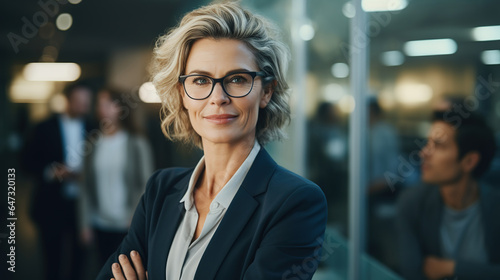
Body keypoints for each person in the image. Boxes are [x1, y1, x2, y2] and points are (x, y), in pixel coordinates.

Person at [96, 2, 328, 280]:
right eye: (200, 80)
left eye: (237, 79)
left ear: (266, 91)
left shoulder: (295, 202)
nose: (218, 97)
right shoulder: (160, 190)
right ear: (182, 93)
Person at [396, 110, 500, 280]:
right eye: (427, 143)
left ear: (469, 161)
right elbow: (412, 272)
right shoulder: (412, 202)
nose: (424, 153)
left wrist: (451, 267)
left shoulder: (496, 207)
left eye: (439, 146)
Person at [22, 82, 94, 280]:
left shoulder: (93, 127)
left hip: (82, 205)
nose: (84, 106)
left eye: (87, 102)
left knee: (80, 260)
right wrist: (51, 172)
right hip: (50, 204)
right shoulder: (43, 127)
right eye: (79, 101)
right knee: (52, 261)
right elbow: (26, 163)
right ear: (68, 101)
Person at [80, 88, 153, 265]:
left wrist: (136, 218)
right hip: (99, 222)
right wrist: (84, 224)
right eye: (100, 104)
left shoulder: (137, 143)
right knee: (102, 269)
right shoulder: (92, 143)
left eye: (108, 104)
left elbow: (146, 183)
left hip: (127, 224)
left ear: (120, 108)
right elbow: (85, 186)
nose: (103, 108)